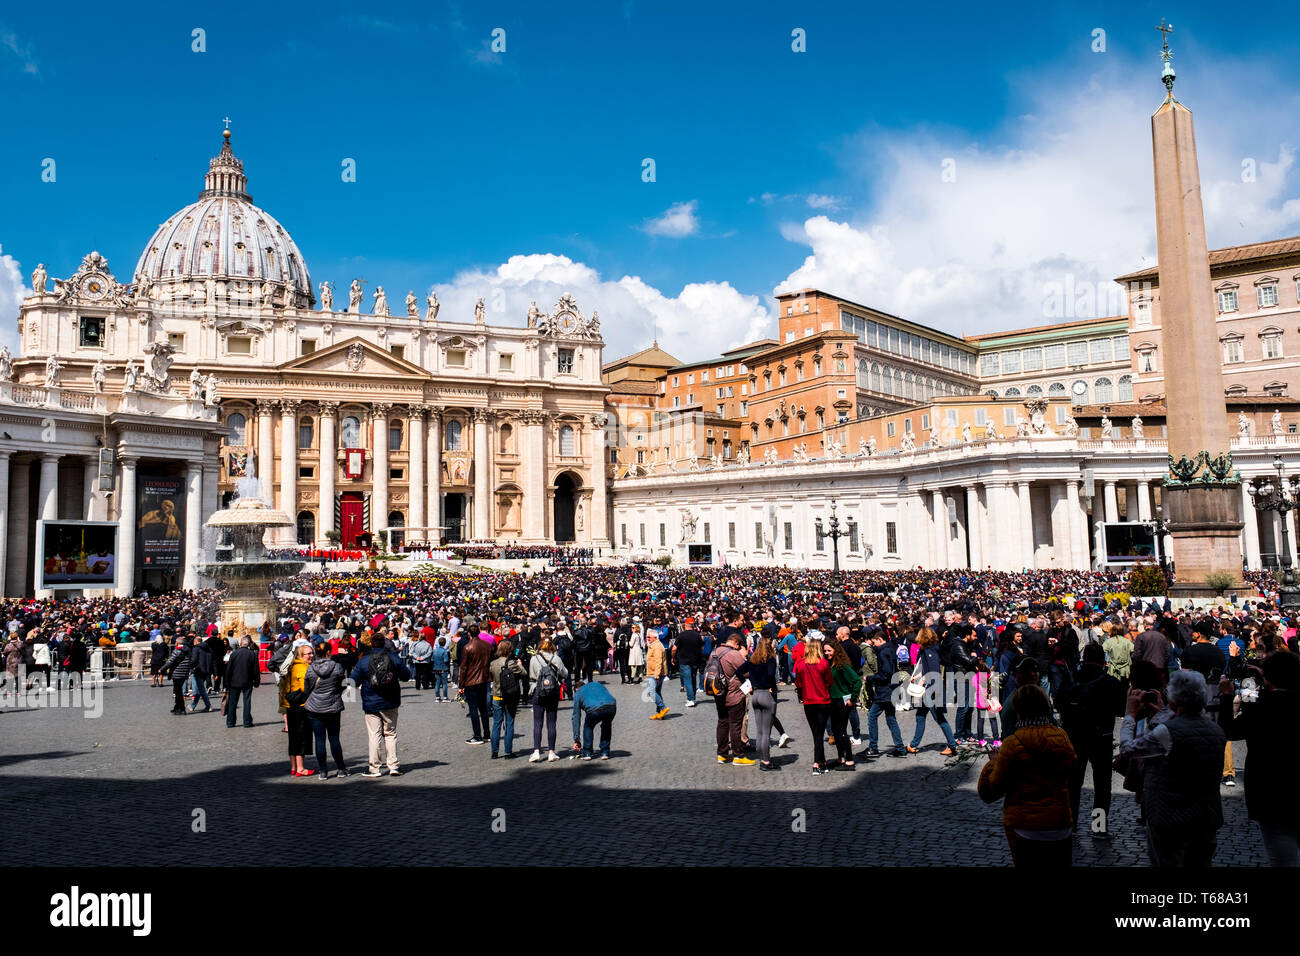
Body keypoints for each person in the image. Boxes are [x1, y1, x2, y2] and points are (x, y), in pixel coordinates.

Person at [1118, 670, 1226, 867]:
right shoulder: (1216, 730)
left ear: (1174, 701)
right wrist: (1164, 712)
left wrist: (1129, 715)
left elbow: (1127, 749)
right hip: (1206, 818)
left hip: (1171, 818)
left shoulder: (1167, 731)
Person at [977, 685, 1077, 867]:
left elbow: (990, 791)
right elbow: (1072, 774)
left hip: (1025, 825)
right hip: (1059, 823)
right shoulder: (1061, 737)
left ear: (1018, 710)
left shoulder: (1012, 744)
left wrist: (993, 762)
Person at [1217, 651, 1299, 866]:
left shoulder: (1262, 707)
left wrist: (1227, 698)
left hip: (1269, 787)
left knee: (1282, 856)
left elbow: (1231, 731)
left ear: (1267, 678)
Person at [1059, 642, 1125, 839]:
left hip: (1075, 736)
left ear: (1084, 658)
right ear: (1103, 660)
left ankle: (1072, 823)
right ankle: (1098, 827)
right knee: (1102, 785)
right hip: (1101, 737)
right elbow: (1120, 710)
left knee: (1073, 783)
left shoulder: (1071, 679)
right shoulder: (1111, 682)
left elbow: (1059, 703)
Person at [350, 634, 411, 777]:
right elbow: (406, 676)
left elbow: (353, 681)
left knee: (374, 735)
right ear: (384, 643)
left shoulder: (364, 660)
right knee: (390, 733)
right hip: (390, 701)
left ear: (371, 644)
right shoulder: (393, 658)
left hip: (371, 702)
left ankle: (374, 768)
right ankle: (393, 766)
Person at [907, 627, 958, 755]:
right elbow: (926, 670)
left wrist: (925, 684)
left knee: (939, 718)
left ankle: (952, 745)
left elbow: (933, 671)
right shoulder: (928, 649)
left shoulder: (931, 651)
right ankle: (913, 744)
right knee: (920, 716)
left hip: (933, 690)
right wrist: (918, 677)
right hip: (931, 688)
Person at [708, 628, 753, 766]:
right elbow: (746, 672)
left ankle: (722, 754)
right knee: (735, 724)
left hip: (718, 692)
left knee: (722, 722)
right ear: (738, 644)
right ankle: (738, 755)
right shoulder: (734, 654)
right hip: (734, 693)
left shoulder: (714, 652)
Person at [304, 641, 348, 778]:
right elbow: (343, 685)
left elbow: (307, 689)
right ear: (329, 652)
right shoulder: (337, 667)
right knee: (334, 738)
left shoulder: (311, 668)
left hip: (314, 707)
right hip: (333, 706)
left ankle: (323, 771)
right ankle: (341, 768)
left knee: (319, 739)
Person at [793, 631, 832, 774]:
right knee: (819, 734)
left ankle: (821, 762)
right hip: (823, 701)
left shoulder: (800, 664)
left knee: (816, 733)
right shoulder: (823, 663)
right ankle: (817, 763)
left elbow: (798, 683)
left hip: (809, 703)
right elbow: (829, 681)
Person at [864, 630, 906, 757]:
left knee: (872, 716)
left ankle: (873, 747)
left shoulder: (883, 652)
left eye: (875, 642)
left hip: (884, 691)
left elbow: (885, 674)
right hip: (891, 689)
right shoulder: (891, 649)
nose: (873, 644)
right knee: (891, 718)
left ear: (880, 640)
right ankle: (900, 748)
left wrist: (870, 678)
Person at [742, 635, 780, 770]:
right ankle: (766, 761)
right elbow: (770, 674)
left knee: (759, 732)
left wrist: (750, 684)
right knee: (766, 732)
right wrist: (771, 687)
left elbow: (739, 672)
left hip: (756, 695)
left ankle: (762, 758)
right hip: (766, 694)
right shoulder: (769, 660)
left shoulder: (752, 660)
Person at [528, 637, 568, 762]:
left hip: (537, 692)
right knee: (551, 723)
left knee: (537, 723)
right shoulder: (556, 658)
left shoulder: (534, 659)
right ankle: (551, 752)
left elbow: (531, 675)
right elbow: (565, 673)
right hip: (552, 692)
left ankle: (536, 751)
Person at [488, 639, 527, 759]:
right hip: (510, 695)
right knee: (509, 724)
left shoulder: (493, 663)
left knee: (496, 724)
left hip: (496, 694)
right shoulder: (511, 664)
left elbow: (491, 677)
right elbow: (524, 673)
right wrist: (520, 664)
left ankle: (494, 752)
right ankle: (507, 751)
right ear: (509, 651)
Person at [827, 639, 862, 769]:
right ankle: (841, 757)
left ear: (836, 651)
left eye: (829, 650)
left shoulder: (842, 665)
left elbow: (857, 682)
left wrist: (852, 699)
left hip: (842, 701)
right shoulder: (830, 664)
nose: (826, 653)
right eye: (825, 651)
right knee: (836, 731)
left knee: (842, 731)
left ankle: (850, 761)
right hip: (833, 701)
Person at [285, 645, 316, 777]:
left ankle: (293, 766)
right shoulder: (304, 668)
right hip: (301, 706)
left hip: (290, 706)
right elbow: (307, 689)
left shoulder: (292, 666)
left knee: (292, 737)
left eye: (311, 653)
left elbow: (286, 687)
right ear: (300, 655)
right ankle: (301, 768)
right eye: (308, 654)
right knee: (301, 737)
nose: (311, 656)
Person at [570, 678, 617, 759]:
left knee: (588, 726)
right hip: (611, 706)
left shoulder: (578, 693)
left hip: (594, 710)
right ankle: (605, 752)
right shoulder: (596, 684)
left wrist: (576, 739)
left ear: (576, 690)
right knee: (606, 725)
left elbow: (576, 717)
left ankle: (587, 752)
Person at [459, 629, 492, 745]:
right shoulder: (487, 646)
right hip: (484, 679)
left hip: (471, 681)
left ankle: (477, 735)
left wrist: (460, 684)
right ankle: (487, 734)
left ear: (469, 634)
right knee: (483, 708)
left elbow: (463, 668)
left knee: (473, 709)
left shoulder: (467, 647)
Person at [225, 635, 260, 728]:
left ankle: (230, 722)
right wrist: (257, 681)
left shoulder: (234, 653)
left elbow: (229, 669)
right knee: (247, 702)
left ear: (240, 644)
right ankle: (247, 722)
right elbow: (256, 670)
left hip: (234, 681)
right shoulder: (252, 654)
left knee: (232, 702)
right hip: (247, 681)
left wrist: (226, 683)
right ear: (248, 644)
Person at [673, 617, 703, 706]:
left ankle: (690, 699)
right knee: (693, 679)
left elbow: (674, 648)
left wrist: (673, 657)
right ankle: (692, 697)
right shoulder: (697, 635)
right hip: (695, 659)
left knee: (687, 679)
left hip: (684, 660)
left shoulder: (681, 635)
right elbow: (702, 648)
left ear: (686, 625)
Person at [162, 637, 194, 715]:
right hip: (184, 673)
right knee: (178, 690)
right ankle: (177, 707)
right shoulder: (188, 651)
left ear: (177, 643)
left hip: (177, 673)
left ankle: (181, 708)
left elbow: (170, 662)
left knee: (178, 691)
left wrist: (162, 669)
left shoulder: (176, 651)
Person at [645, 628, 669, 719]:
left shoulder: (657, 647)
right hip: (655, 672)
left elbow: (658, 661)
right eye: (647, 636)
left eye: (649, 637)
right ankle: (660, 713)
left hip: (656, 673)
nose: (647, 638)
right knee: (657, 691)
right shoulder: (653, 645)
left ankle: (663, 708)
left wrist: (656, 675)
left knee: (651, 691)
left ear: (655, 637)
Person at [431, 636, 450, 701]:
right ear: (444, 643)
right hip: (443, 668)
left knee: (437, 683)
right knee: (444, 683)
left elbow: (432, 659)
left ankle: (437, 697)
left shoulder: (435, 651)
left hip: (436, 668)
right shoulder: (444, 651)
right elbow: (445, 660)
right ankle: (445, 697)